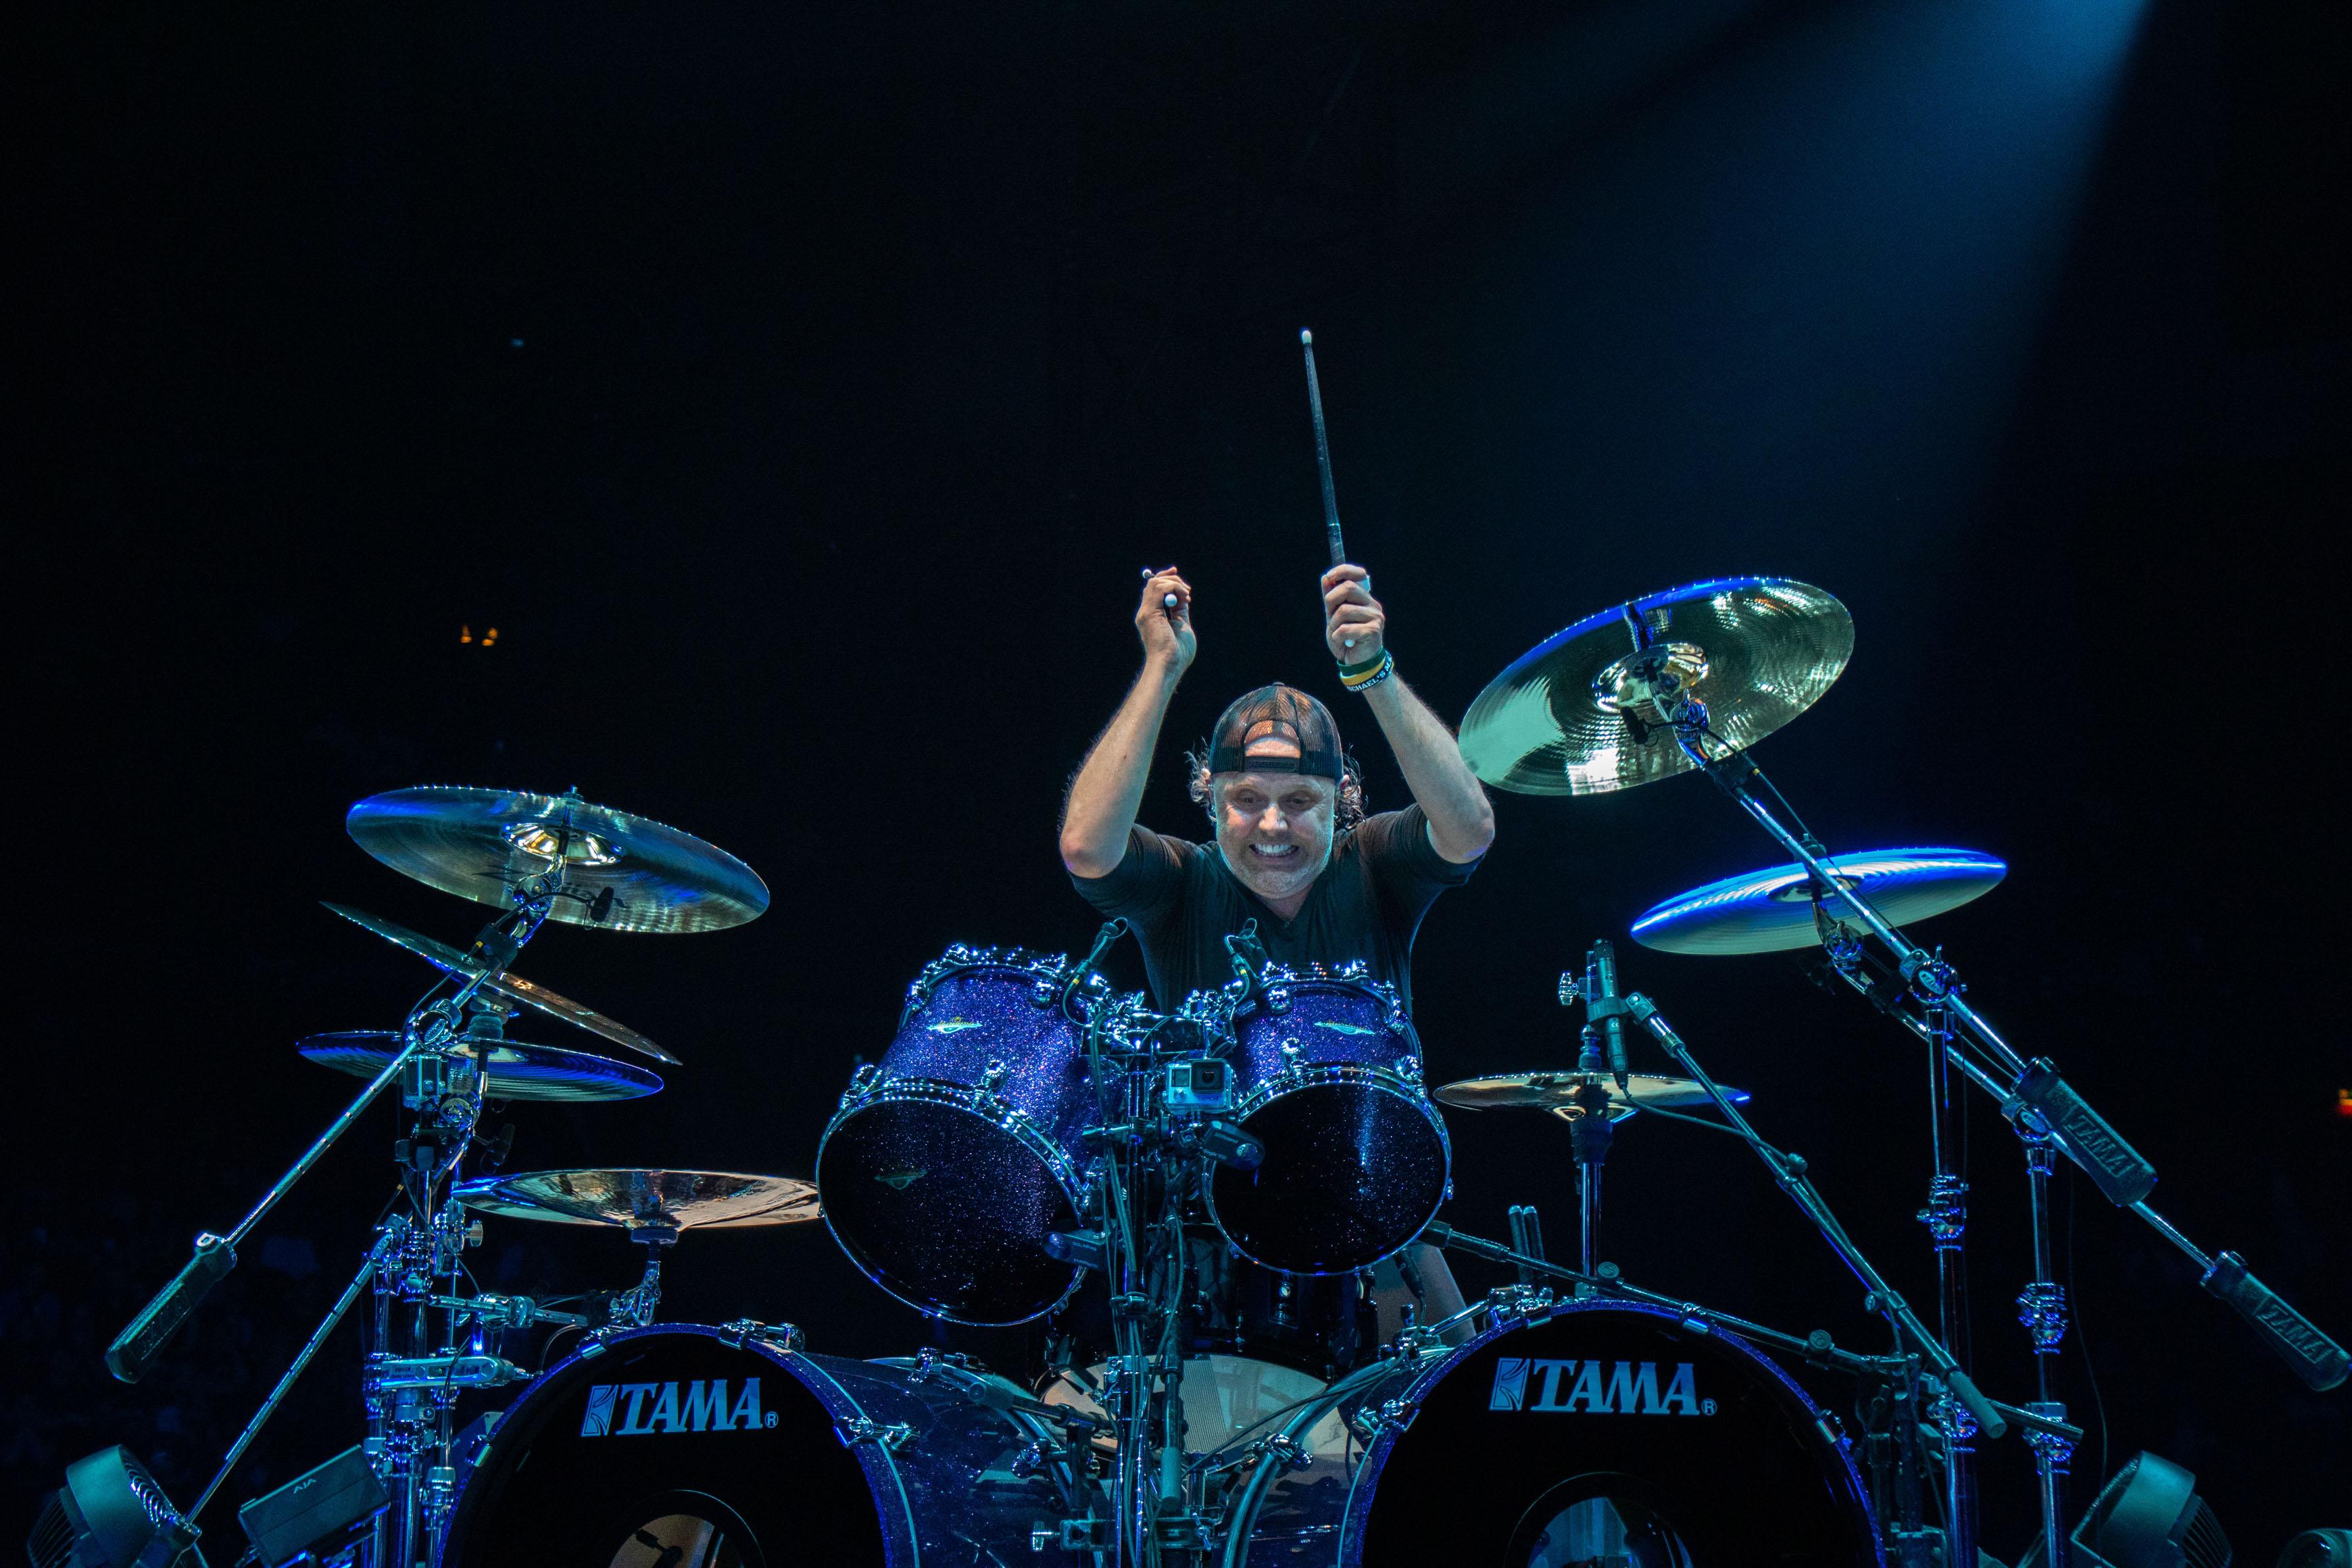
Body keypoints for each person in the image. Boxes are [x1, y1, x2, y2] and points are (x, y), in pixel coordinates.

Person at [1058, 560, 1496, 1342]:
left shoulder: (1373, 862)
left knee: (1454, 1394)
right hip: (1206, 1226)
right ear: (1210, 798)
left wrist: (1373, 673)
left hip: (1374, 1204)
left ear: (1343, 801)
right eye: (1246, 800)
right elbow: (1087, 847)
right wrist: (1162, 667)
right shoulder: (1182, 881)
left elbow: (1469, 829)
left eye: (1299, 802)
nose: (1271, 826)